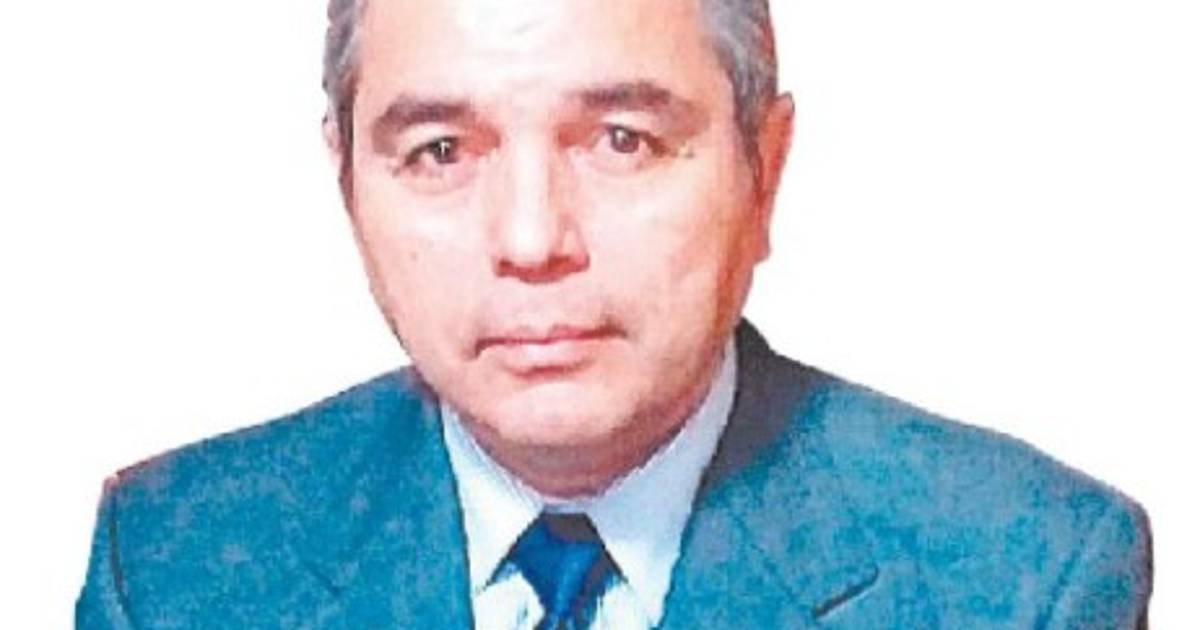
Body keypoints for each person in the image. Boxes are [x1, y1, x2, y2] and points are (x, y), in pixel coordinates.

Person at [76, 0, 1152, 627]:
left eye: (621, 141)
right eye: (441, 152)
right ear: (347, 184)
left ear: (765, 171)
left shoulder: (1023, 578)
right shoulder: (174, 562)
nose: (532, 238)